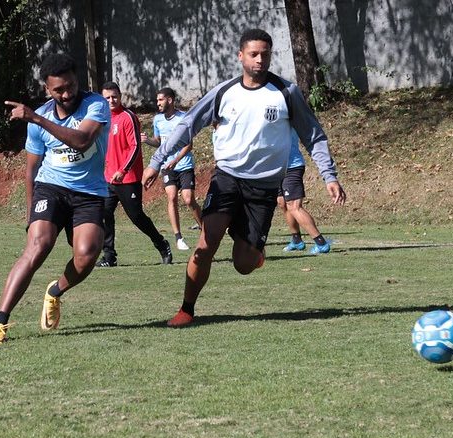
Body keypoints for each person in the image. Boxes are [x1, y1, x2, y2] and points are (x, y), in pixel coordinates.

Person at [142, 28, 346, 328]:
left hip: (263, 188)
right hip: (227, 179)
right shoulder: (224, 92)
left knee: (244, 265)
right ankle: (186, 309)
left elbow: (313, 136)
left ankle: (251, 247)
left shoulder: (286, 93)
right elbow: (187, 127)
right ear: (241, 56)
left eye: (265, 54)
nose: (260, 60)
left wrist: (328, 174)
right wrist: (157, 162)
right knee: (205, 246)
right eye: (253, 54)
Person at [0, 53, 110, 345]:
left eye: (71, 86)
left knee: (87, 254)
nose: (67, 94)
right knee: (38, 245)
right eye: (58, 90)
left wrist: (36, 117)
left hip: (89, 192)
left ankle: (55, 291)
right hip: (50, 187)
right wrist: (30, 215)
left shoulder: (96, 105)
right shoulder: (38, 120)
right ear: (47, 90)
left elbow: (82, 140)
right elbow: (31, 169)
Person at [96, 81, 172, 267]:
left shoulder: (128, 117)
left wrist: (123, 170)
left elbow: (135, 146)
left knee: (136, 217)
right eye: (107, 98)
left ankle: (162, 244)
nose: (111, 100)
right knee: (104, 213)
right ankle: (109, 256)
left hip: (127, 178)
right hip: (108, 178)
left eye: (115, 96)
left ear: (120, 97)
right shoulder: (102, 119)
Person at [140, 87, 202, 251]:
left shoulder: (184, 118)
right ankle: (178, 238)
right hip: (167, 167)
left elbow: (189, 144)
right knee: (172, 197)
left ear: (170, 100)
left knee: (188, 199)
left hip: (184, 164)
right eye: (157, 100)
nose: (157, 103)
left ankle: (205, 229)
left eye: (160, 100)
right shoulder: (158, 120)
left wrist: (175, 160)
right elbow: (159, 142)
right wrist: (147, 141)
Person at [278, 129, 332, 254]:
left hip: (292, 166)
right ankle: (296, 241)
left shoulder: (288, 112)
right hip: (276, 167)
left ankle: (321, 243)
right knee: (282, 202)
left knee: (294, 205)